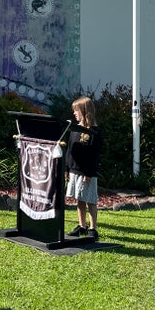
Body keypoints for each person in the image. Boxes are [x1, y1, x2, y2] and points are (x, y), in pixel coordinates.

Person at [65, 95, 103, 241]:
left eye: (76, 110)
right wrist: (67, 169)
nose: (74, 113)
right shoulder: (75, 129)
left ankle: (93, 228)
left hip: (87, 173)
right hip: (74, 170)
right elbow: (70, 149)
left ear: (85, 111)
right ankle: (81, 226)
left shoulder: (94, 132)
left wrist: (88, 172)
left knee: (90, 200)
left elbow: (93, 154)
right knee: (79, 200)